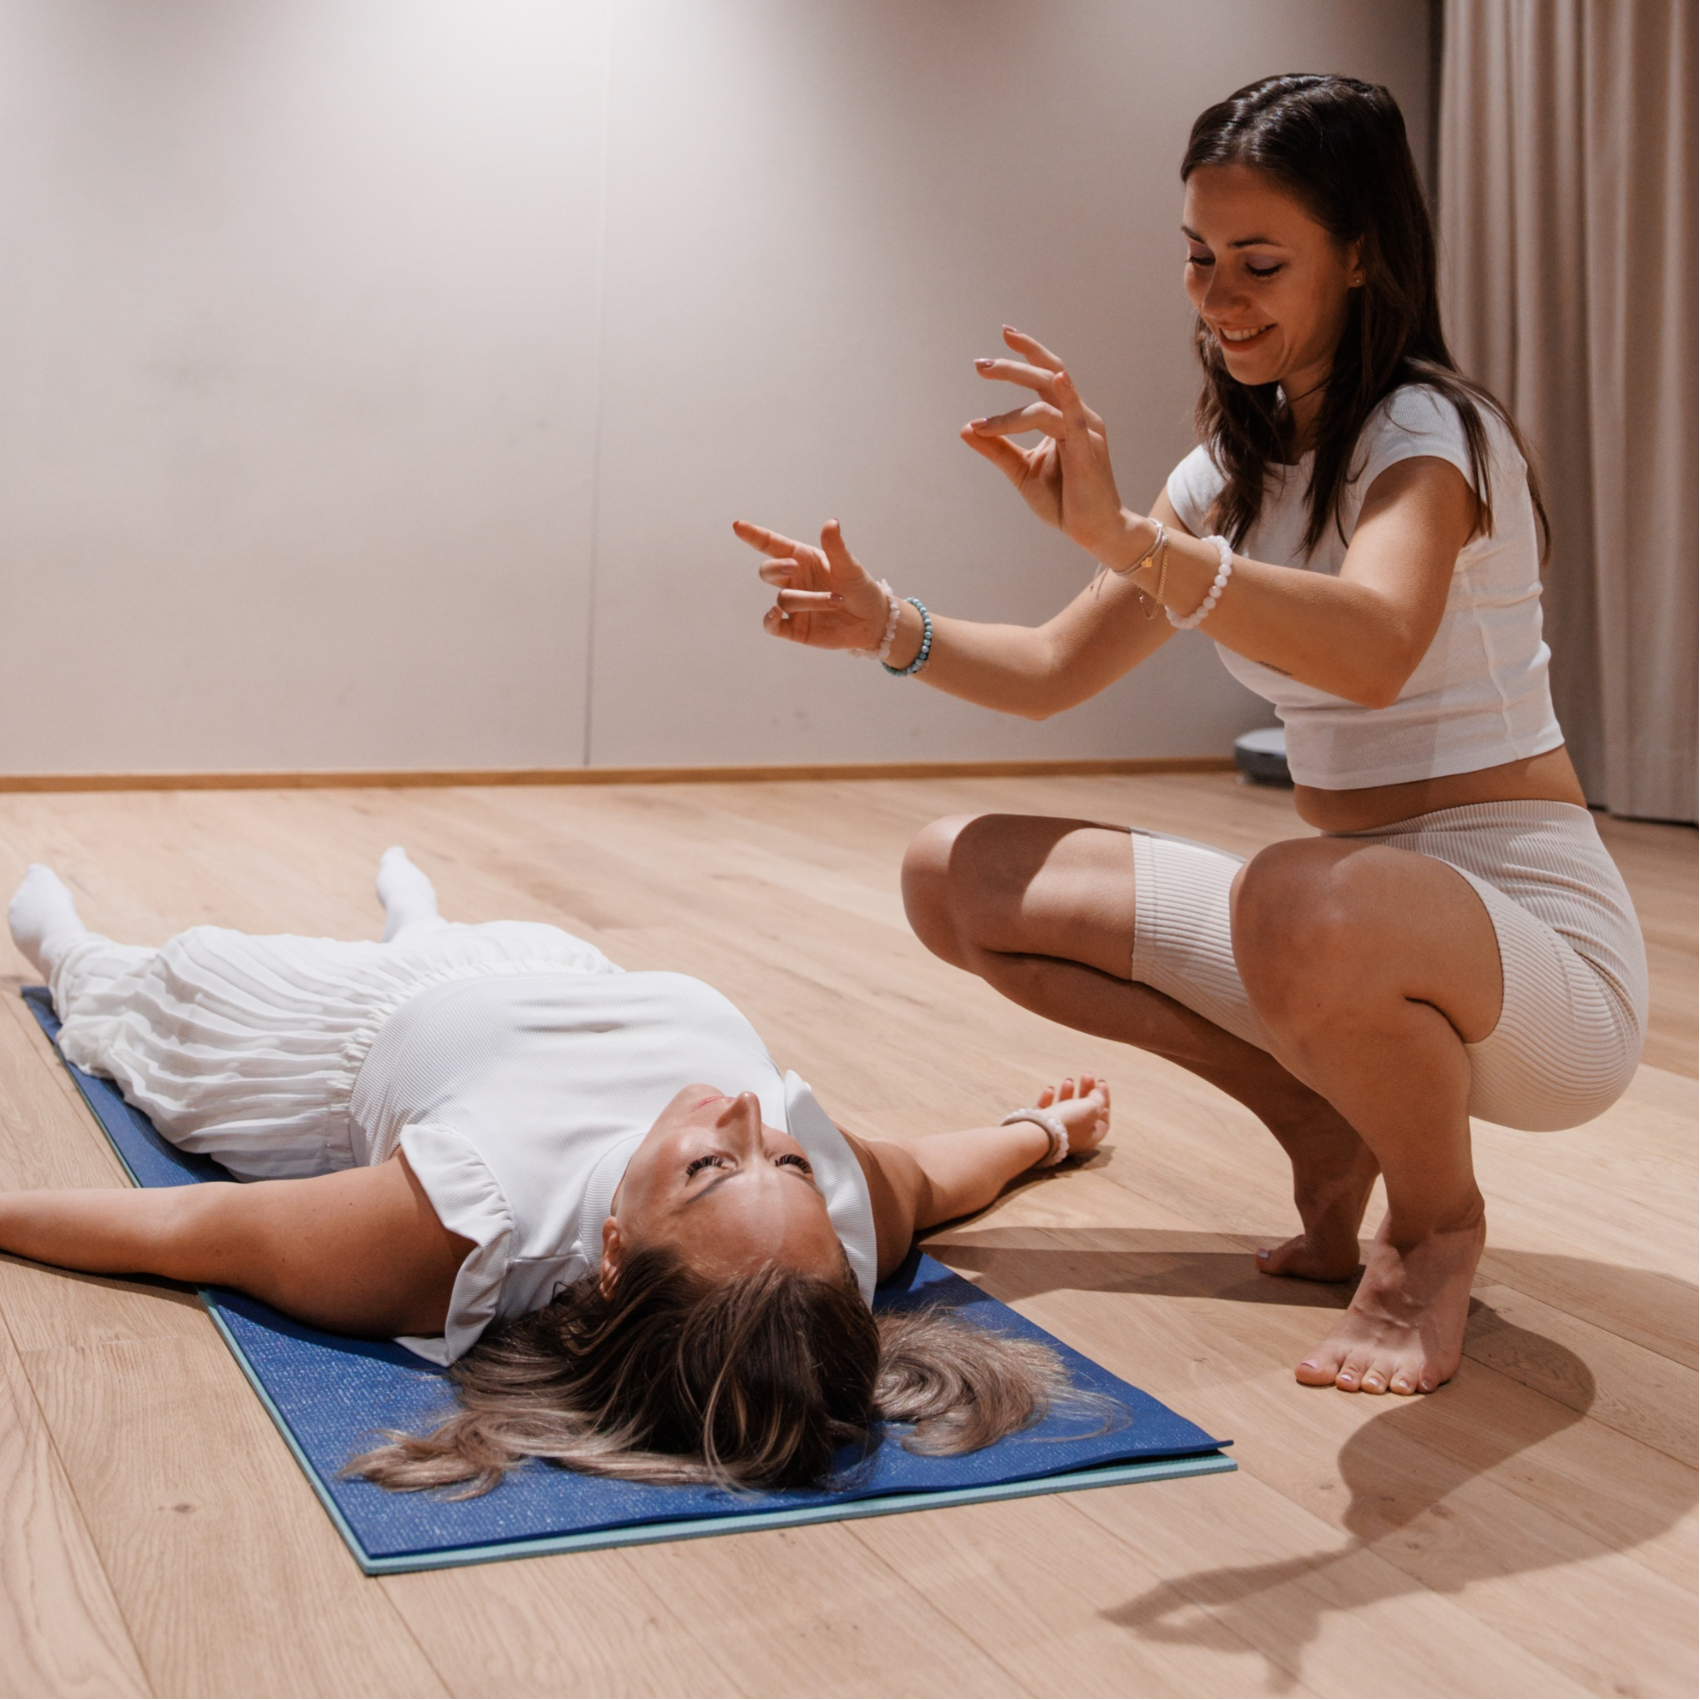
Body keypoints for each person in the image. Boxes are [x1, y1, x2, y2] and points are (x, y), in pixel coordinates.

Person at [735, 74, 1646, 1400]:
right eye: (1199, 258)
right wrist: (889, 624)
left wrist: (1132, 542)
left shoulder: (1430, 432)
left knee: (1294, 892)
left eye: (1259, 263)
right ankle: (1318, 1113)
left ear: (1361, 255)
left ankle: (1433, 1225)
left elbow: (1375, 648)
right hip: (1335, 922)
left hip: (1535, 962)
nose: (1220, 298)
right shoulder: (1225, 474)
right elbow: (1053, 671)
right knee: (957, 873)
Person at [3, 850, 1110, 1493]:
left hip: (336, 1033)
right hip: (544, 969)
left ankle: (66, 946)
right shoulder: (831, 1215)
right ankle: (420, 922)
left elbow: (188, 1229)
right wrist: (1041, 1133)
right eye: (786, 1159)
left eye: (711, 1166)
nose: (749, 1112)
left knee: (173, 975)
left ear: (614, 1252)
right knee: (446, 934)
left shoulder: (463, 1226)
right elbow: (933, 1173)